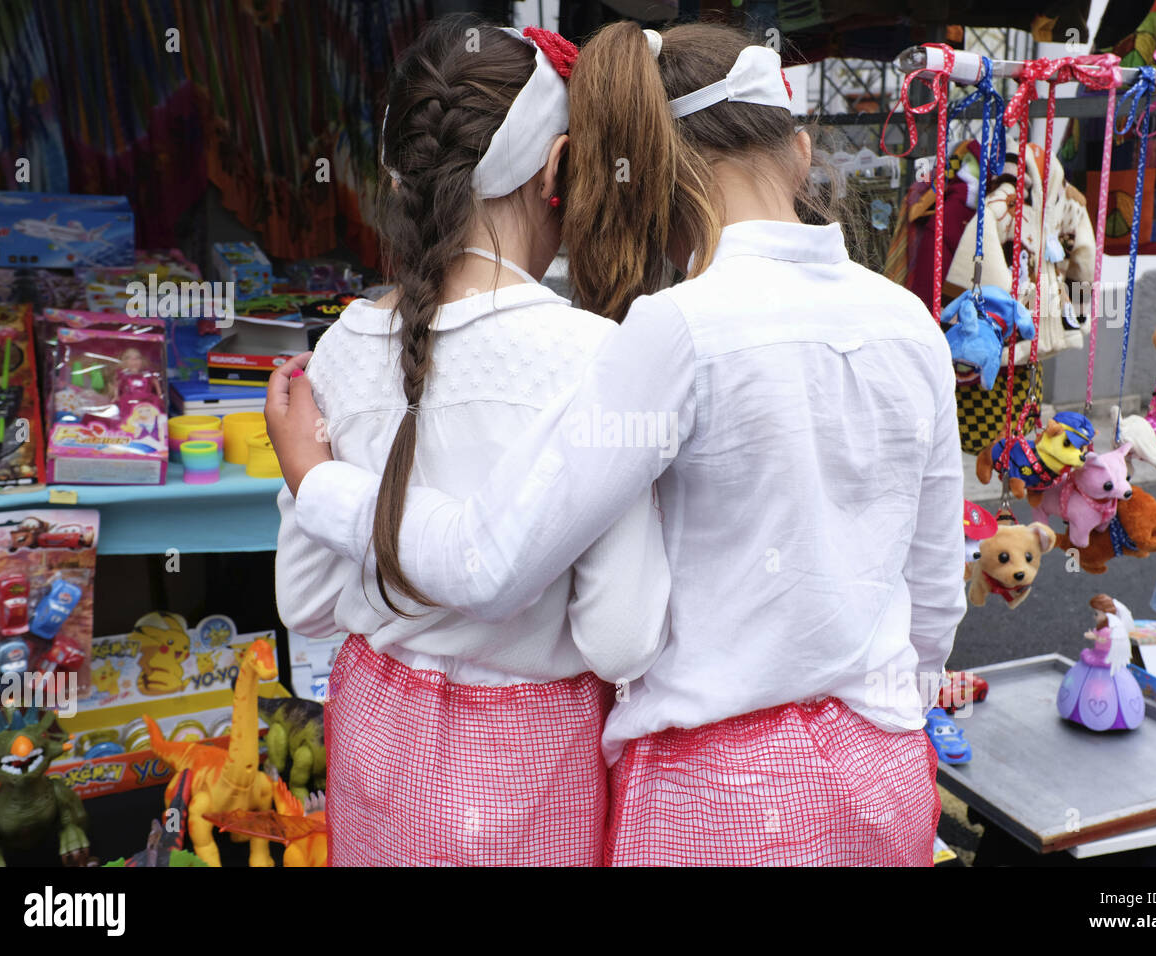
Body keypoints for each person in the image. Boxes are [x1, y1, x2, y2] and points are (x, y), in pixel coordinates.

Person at [269, 20, 966, 866]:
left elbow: (463, 570)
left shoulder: (665, 335)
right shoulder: (910, 323)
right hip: (878, 765)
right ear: (802, 150)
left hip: (692, 793)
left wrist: (316, 483)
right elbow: (930, 602)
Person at [271, 15, 670, 867]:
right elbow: (622, 636)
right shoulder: (595, 358)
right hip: (530, 776)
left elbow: (303, 603)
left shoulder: (339, 348)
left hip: (374, 750)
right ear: (558, 168)